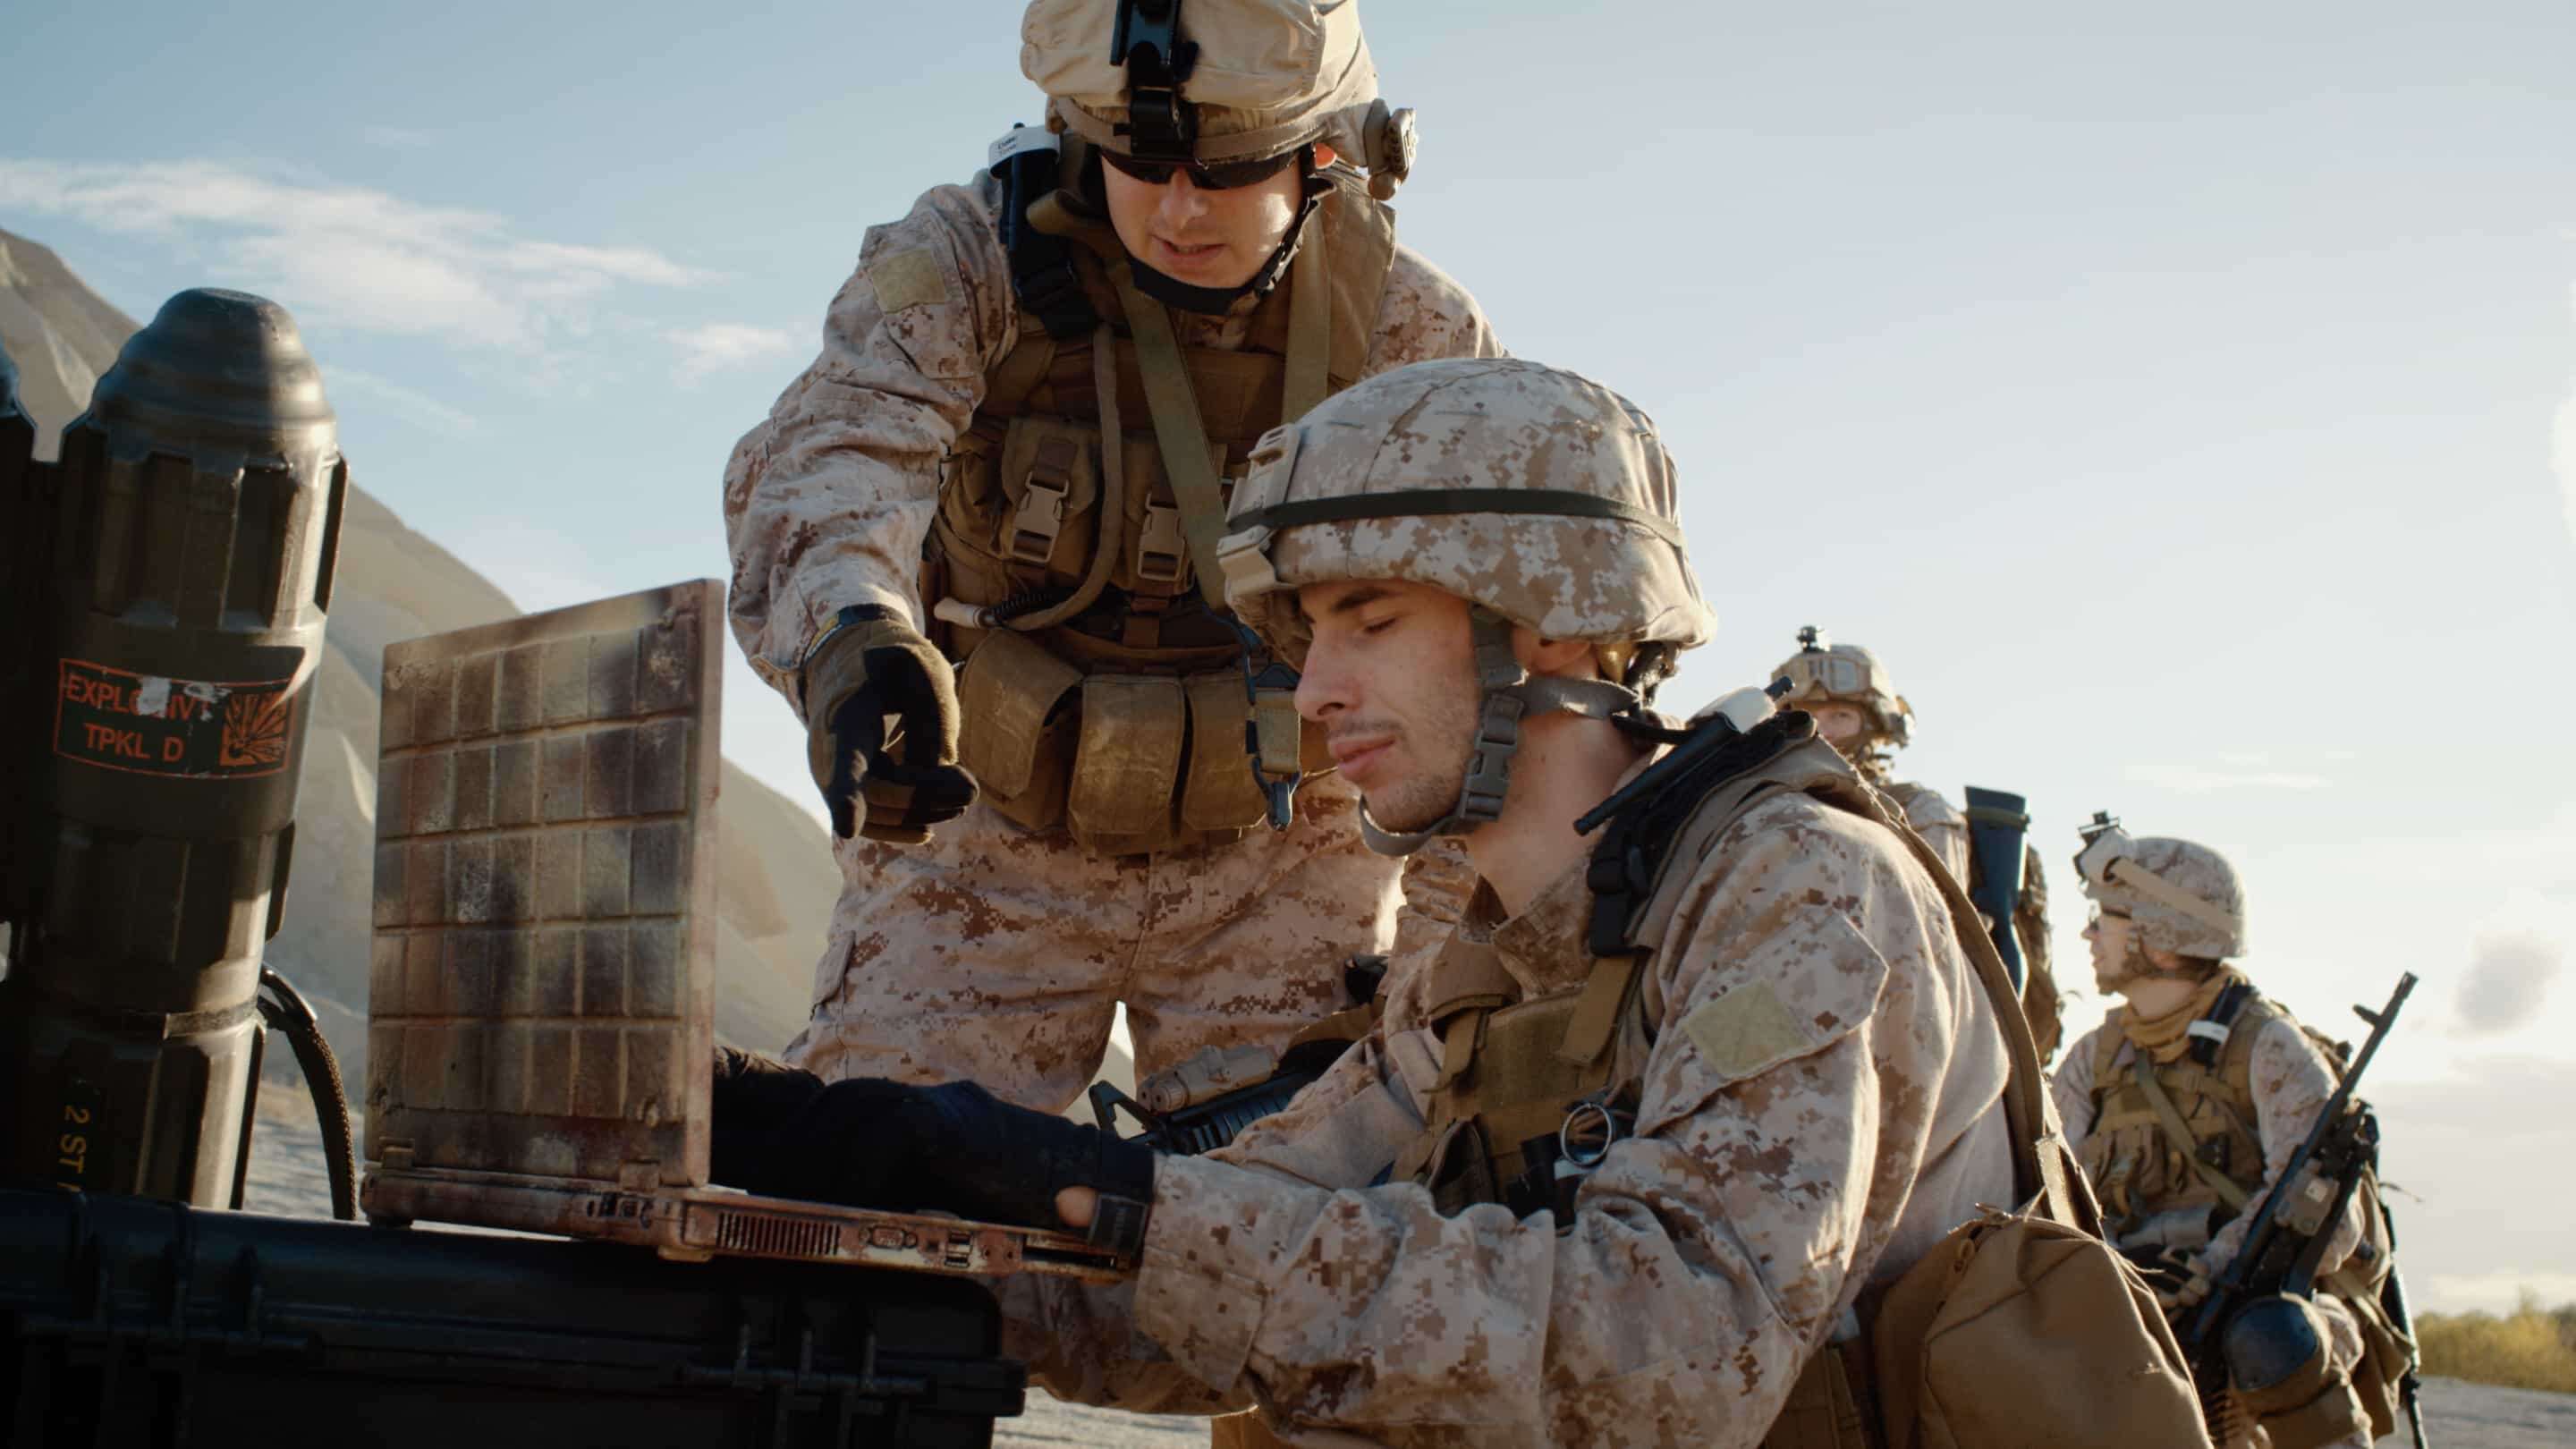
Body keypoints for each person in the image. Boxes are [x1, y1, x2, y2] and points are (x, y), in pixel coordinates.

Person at [712, 359, 2052, 1446]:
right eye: (1305, 639)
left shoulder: (1797, 892)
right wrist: (870, 1189)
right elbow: (1224, 1250)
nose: (1314, 694)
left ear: (1551, 620)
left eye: (1369, 620)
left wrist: (1121, 1203)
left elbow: (1669, 1358)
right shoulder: (1489, 952)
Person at [719, 0, 1500, 1110]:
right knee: (886, 1210)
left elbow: (1493, 637)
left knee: (1286, 1240)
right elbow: (840, 448)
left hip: (1284, 857)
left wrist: (1434, 962)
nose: (1179, 207)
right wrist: (852, 633)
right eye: (1141, 162)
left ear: (1327, 154)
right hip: (983, 837)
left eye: (1225, 169)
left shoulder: (1409, 330)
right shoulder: (967, 259)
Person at [2052, 824, 2400, 1449]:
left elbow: (2330, 1223)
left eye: (2107, 917)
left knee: (2272, 1342)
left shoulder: (2266, 1046)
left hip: (2250, 1304)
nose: (2088, 933)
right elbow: (2050, 1195)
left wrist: (2208, 1273)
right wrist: (2122, 1279)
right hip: (2127, 1295)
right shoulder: (2094, 1057)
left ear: (2160, 938)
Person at [1771, 628, 2063, 1058]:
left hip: (1892, 1031)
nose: (1823, 732)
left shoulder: (1922, 814)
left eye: (1841, 717)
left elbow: (1931, 946)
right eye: (1810, 716)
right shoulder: (1766, 814)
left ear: (1874, 727)